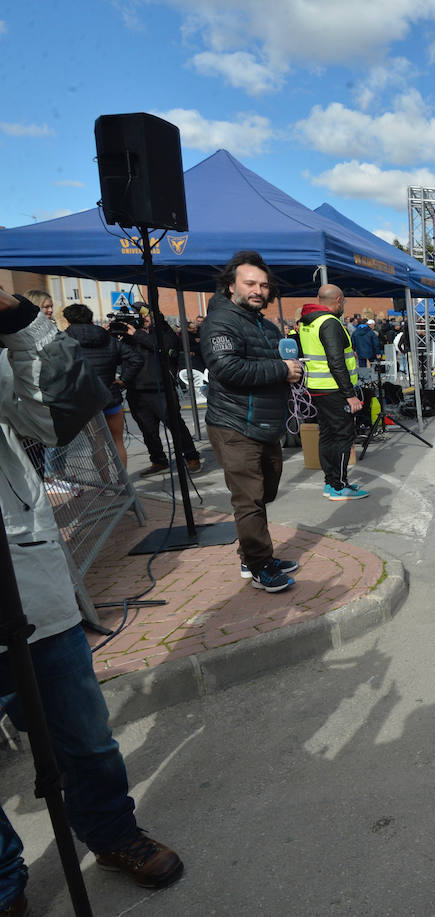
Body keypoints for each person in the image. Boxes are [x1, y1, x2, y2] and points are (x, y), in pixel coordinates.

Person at [0, 287, 184, 917]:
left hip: (27, 590)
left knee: (84, 739)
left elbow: (60, 413)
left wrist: (18, 319)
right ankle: (3, 882)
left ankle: (111, 835)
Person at [200, 251, 303, 592]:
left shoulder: (265, 324)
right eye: (250, 283)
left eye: (263, 284)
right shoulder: (221, 321)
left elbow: (276, 364)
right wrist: (280, 370)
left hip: (266, 424)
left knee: (265, 491)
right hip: (235, 424)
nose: (258, 290)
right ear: (231, 286)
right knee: (250, 499)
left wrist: (292, 371)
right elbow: (227, 369)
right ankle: (258, 565)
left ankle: (252, 552)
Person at [298, 284, 368, 501]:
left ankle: (332, 483)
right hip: (334, 390)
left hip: (319, 389)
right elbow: (336, 361)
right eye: (344, 302)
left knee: (327, 435)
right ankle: (337, 485)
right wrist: (350, 394)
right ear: (338, 300)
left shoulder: (309, 322)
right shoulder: (329, 323)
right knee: (343, 436)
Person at [119, 306, 203, 477]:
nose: (144, 319)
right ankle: (158, 460)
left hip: (162, 390)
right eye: (141, 316)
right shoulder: (130, 336)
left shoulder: (165, 332)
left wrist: (137, 334)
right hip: (137, 391)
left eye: (146, 316)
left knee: (176, 425)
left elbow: (162, 348)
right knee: (148, 430)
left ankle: (191, 456)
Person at [61, 303, 144, 469]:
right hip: (111, 395)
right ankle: (123, 482)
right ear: (91, 320)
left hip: (86, 400)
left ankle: (105, 487)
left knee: (97, 443)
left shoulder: (63, 341)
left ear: (68, 321)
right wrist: (123, 380)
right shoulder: (108, 338)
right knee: (118, 441)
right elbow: (136, 359)